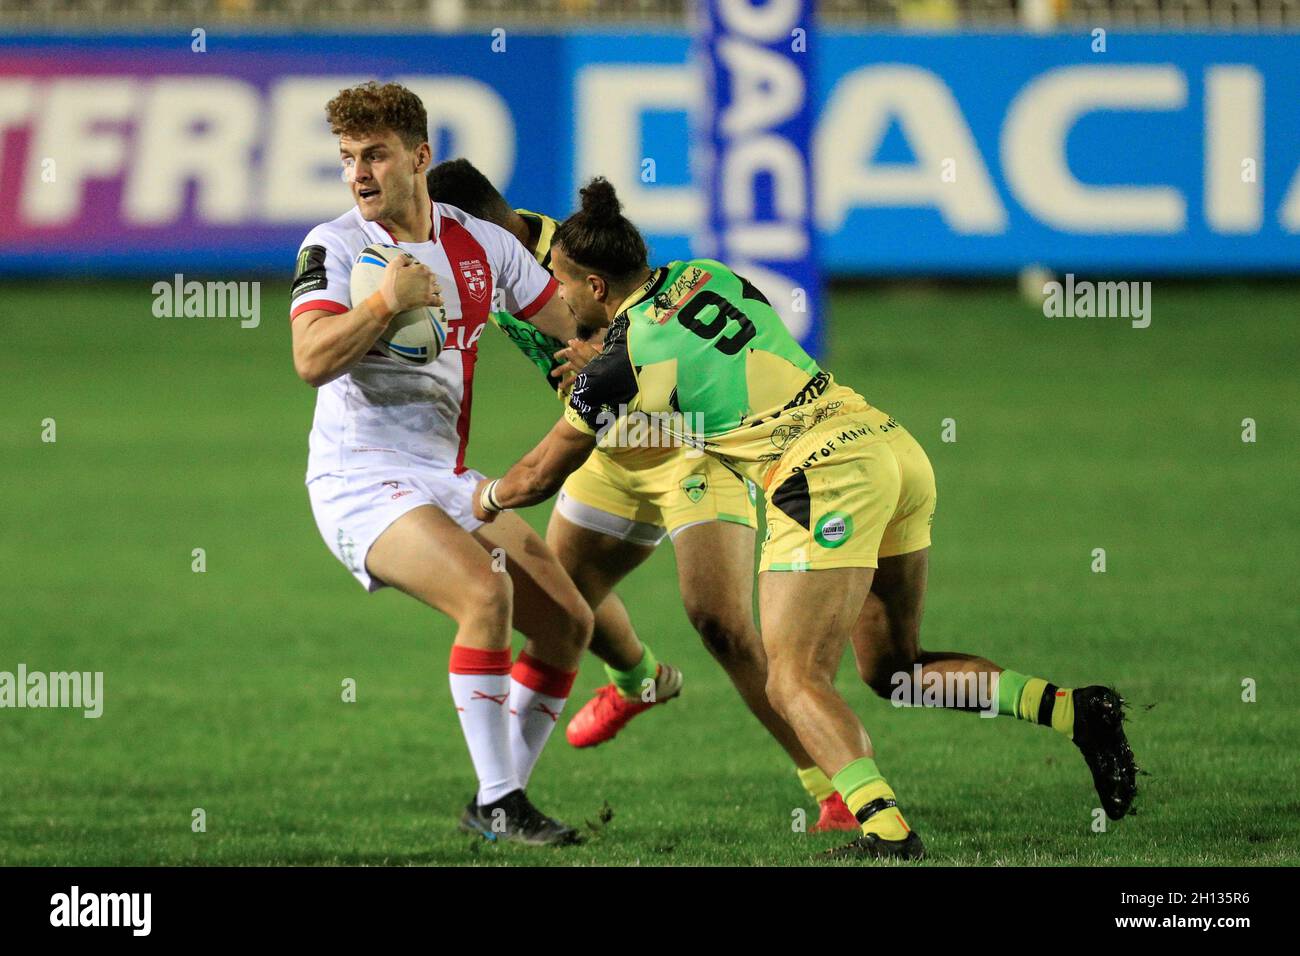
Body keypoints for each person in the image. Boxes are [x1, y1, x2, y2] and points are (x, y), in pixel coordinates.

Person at [471, 178, 1139, 859]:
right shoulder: (706, 273)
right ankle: (1074, 710)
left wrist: (479, 500)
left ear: (593, 285)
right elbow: (703, 355)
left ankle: (884, 831)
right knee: (893, 671)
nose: (550, 293)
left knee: (791, 679)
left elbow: (537, 476)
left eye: (559, 281)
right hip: (888, 447)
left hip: (818, 477)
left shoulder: (618, 365)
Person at [426, 159, 857, 832]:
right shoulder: (478, 267)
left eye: (433, 229)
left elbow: (647, 320)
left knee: (720, 623)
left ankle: (832, 788)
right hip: (604, 451)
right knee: (555, 610)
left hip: (686, 443)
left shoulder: (569, 256)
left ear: (464, 220)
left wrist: (596, 357)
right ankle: (531, 777)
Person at [289, 83, 595, 846]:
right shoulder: (331, 247)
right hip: (357, 477)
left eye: (376, 155)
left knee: (566, 625)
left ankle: (501, 798)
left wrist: (599, 354)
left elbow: (572, 327)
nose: (360, 173)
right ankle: (500, 802)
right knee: (482, 594)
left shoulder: (482, 247)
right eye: (348, 158)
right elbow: (310, 361)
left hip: (442, 475)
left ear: (420, 157)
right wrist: (381, 304)